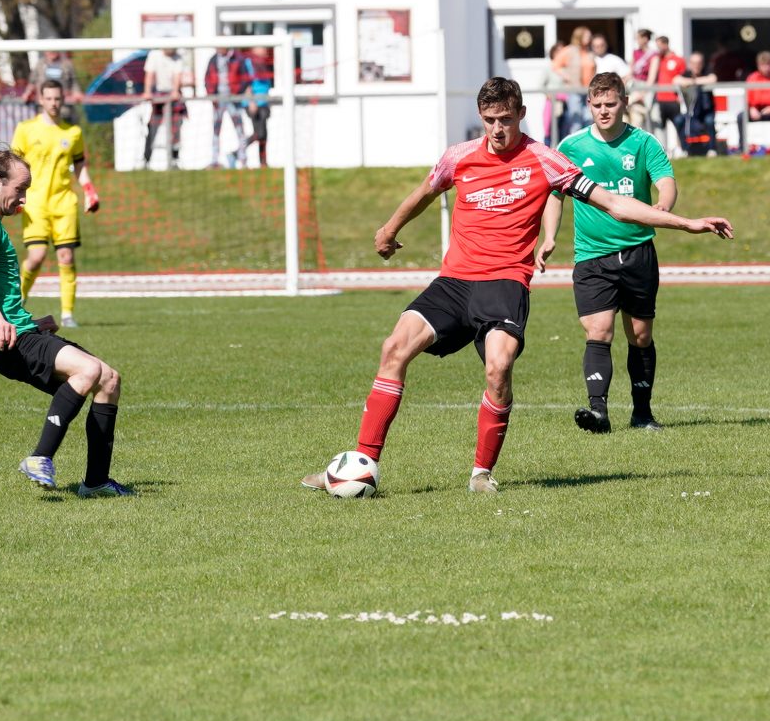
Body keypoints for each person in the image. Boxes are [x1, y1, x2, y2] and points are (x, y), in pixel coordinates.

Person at [300, 77, 733, 495]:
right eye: (489, 119)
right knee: (394, 348)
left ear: (521, 114)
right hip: (454, 281)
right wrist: (388, 228)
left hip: (505, 282)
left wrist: (686, 222)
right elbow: (425, 192)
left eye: (505, 118)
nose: (497, 128)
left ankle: (482, 472)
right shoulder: (459, 156)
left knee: (499, 367)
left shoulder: (547, 161)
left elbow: (616, 204)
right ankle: (362, 462)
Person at [0, 149, 131, 496]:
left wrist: (32, 322)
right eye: (20, 188)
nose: (24, 198)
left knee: (109, 379)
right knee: (88, 371)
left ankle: (96, 482)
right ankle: (40, 457)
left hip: (22, 331)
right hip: (8, 339)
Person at [545, 70, 698, 433]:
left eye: (610, 104)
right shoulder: (571, 147)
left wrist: (663, 205)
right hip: (592, 256)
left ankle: (642, 413)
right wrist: (549, 236)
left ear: (624, 103)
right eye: (597, 105)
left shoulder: (644, 143)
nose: (603, 111)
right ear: (588, 105)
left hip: (637, 252)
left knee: (640, 335)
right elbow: (554, 195)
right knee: (598, 330)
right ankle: (598, 412)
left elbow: (665, 180)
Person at [11, 80, 100, 329]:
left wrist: (89, 191)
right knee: (36, 257)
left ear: (63, 99)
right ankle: (17, 301)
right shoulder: (26, 129)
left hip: (64, 203)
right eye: (48, 98)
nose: (53, 103)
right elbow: (13, 165)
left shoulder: (72, 133)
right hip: (35, 202)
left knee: (66, 256)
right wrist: (14, 195)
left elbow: (80, 165)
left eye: (57, 98)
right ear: (41, 99)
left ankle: (68, 314)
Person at [204, 47, 253, 168]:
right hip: (218, 100)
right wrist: (211, 94)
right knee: (216, 130)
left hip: (233, 100)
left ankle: (243, 160)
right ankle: (214, 160)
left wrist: (237, 93)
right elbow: (207, 79)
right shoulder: (213, 60)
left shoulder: (238, 59)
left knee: (240, 129)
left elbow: (245, 78)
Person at [142, 47, 188, 168]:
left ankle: (175, 159)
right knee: (152, 128)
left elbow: (177, 76)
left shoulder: (178, 57)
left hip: (173, 97)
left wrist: (175, 91)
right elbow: (150, 74)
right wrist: (147, 92)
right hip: (159, 95)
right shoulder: (154, 55)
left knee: (176, 128)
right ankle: (146, 160)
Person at [738, 51, 770, 155]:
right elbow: (747, 96)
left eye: (768, 65)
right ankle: (742, 147)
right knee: (741, 116)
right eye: (763, 65)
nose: (766, 68)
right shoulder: (752, 78)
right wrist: (752, 108)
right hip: (756, 110)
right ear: (758, 66)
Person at [673, 51, 719, 157]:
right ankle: (684, 149)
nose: (696, 66)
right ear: (690, 64)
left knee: (709, 121)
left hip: (706, 111)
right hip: (690, 112)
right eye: (694, 63)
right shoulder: (687, 73)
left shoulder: (707, 71)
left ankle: (712, 149)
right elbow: (675, 79)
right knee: (678, 120)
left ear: (702, 64)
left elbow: (713, 79)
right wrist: (693, 81)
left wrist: (693, 82)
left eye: (699, 63)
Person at [552, 26, 596, 136]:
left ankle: (587, 146)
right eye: (587, 36)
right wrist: (566, 75)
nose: (589, 38)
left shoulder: (590, 52)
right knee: (575, 121)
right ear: (579, 36)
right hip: (574, 90)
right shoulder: (570, 50)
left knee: (589, 119)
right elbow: (555, 64)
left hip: (589, 91)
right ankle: (573, 149)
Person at [646, 36, 686, 154]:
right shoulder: (657, 60)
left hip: (673, 99)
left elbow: (683, 78)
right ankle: (664, 150)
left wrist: (681, 96)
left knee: (678, 124)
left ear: (665, 44)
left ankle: (680, 149)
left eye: (659, 46)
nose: (658, 49)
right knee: (661, 127)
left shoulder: (678, 60)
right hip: (660, 98)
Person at [23, 51, 83, 122]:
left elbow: (74, 82)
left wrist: (77, 92)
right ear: (45, 52)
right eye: (49, 50)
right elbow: (32, 82)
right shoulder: (40, 64)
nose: (52, 52)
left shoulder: (67, 64)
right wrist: (27, 93)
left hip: (64, 108)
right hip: (43, 108)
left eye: (54, 50)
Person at [244, 46, 274, 168]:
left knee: (263, 135)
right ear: (254, 49)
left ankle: (263, 162)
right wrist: (251, 102)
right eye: (262, 47)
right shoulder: (248, 63)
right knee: (259, 133)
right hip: (254, 104)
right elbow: (246, 84)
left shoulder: (263, 64)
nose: (265, 50)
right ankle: (237, 151)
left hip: (264, 103)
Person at [628, 28, 656, 130]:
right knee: (635, 117)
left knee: (647, 118)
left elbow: (651, 78)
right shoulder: (635, 53)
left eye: (639, 38)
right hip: (635, 86)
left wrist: (643, 93)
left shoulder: (653, 55)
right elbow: (630, 72)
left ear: (645, 39)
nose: (637, 41)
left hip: (646, 88)